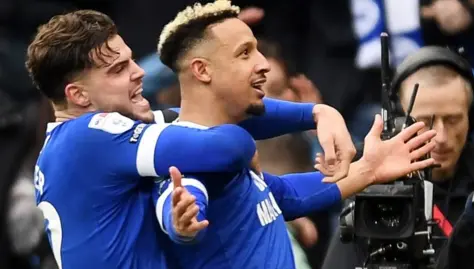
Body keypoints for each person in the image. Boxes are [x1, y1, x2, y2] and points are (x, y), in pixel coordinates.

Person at [26, 8, 366, 269]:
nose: (139, 72)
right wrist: (242, 149)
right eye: (118, 69)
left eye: (131, 61)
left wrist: (318, 113)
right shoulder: (88, 137)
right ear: (78, 96)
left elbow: (210, 120)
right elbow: (223, 146)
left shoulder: (96, 140)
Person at [153, 1, 437, 268]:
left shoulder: (225, 151)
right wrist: (181, 223)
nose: (263, 63)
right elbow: (181, 197)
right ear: (202, 70)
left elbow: (286, 195)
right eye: (244, 53)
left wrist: (368, 168)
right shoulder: (186, 157)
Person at [321, 47, 474, 269]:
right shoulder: (370, 185)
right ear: (398, 119)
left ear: (471, 117)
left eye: (453, 120)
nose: (441, 137)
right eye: (426, 121)